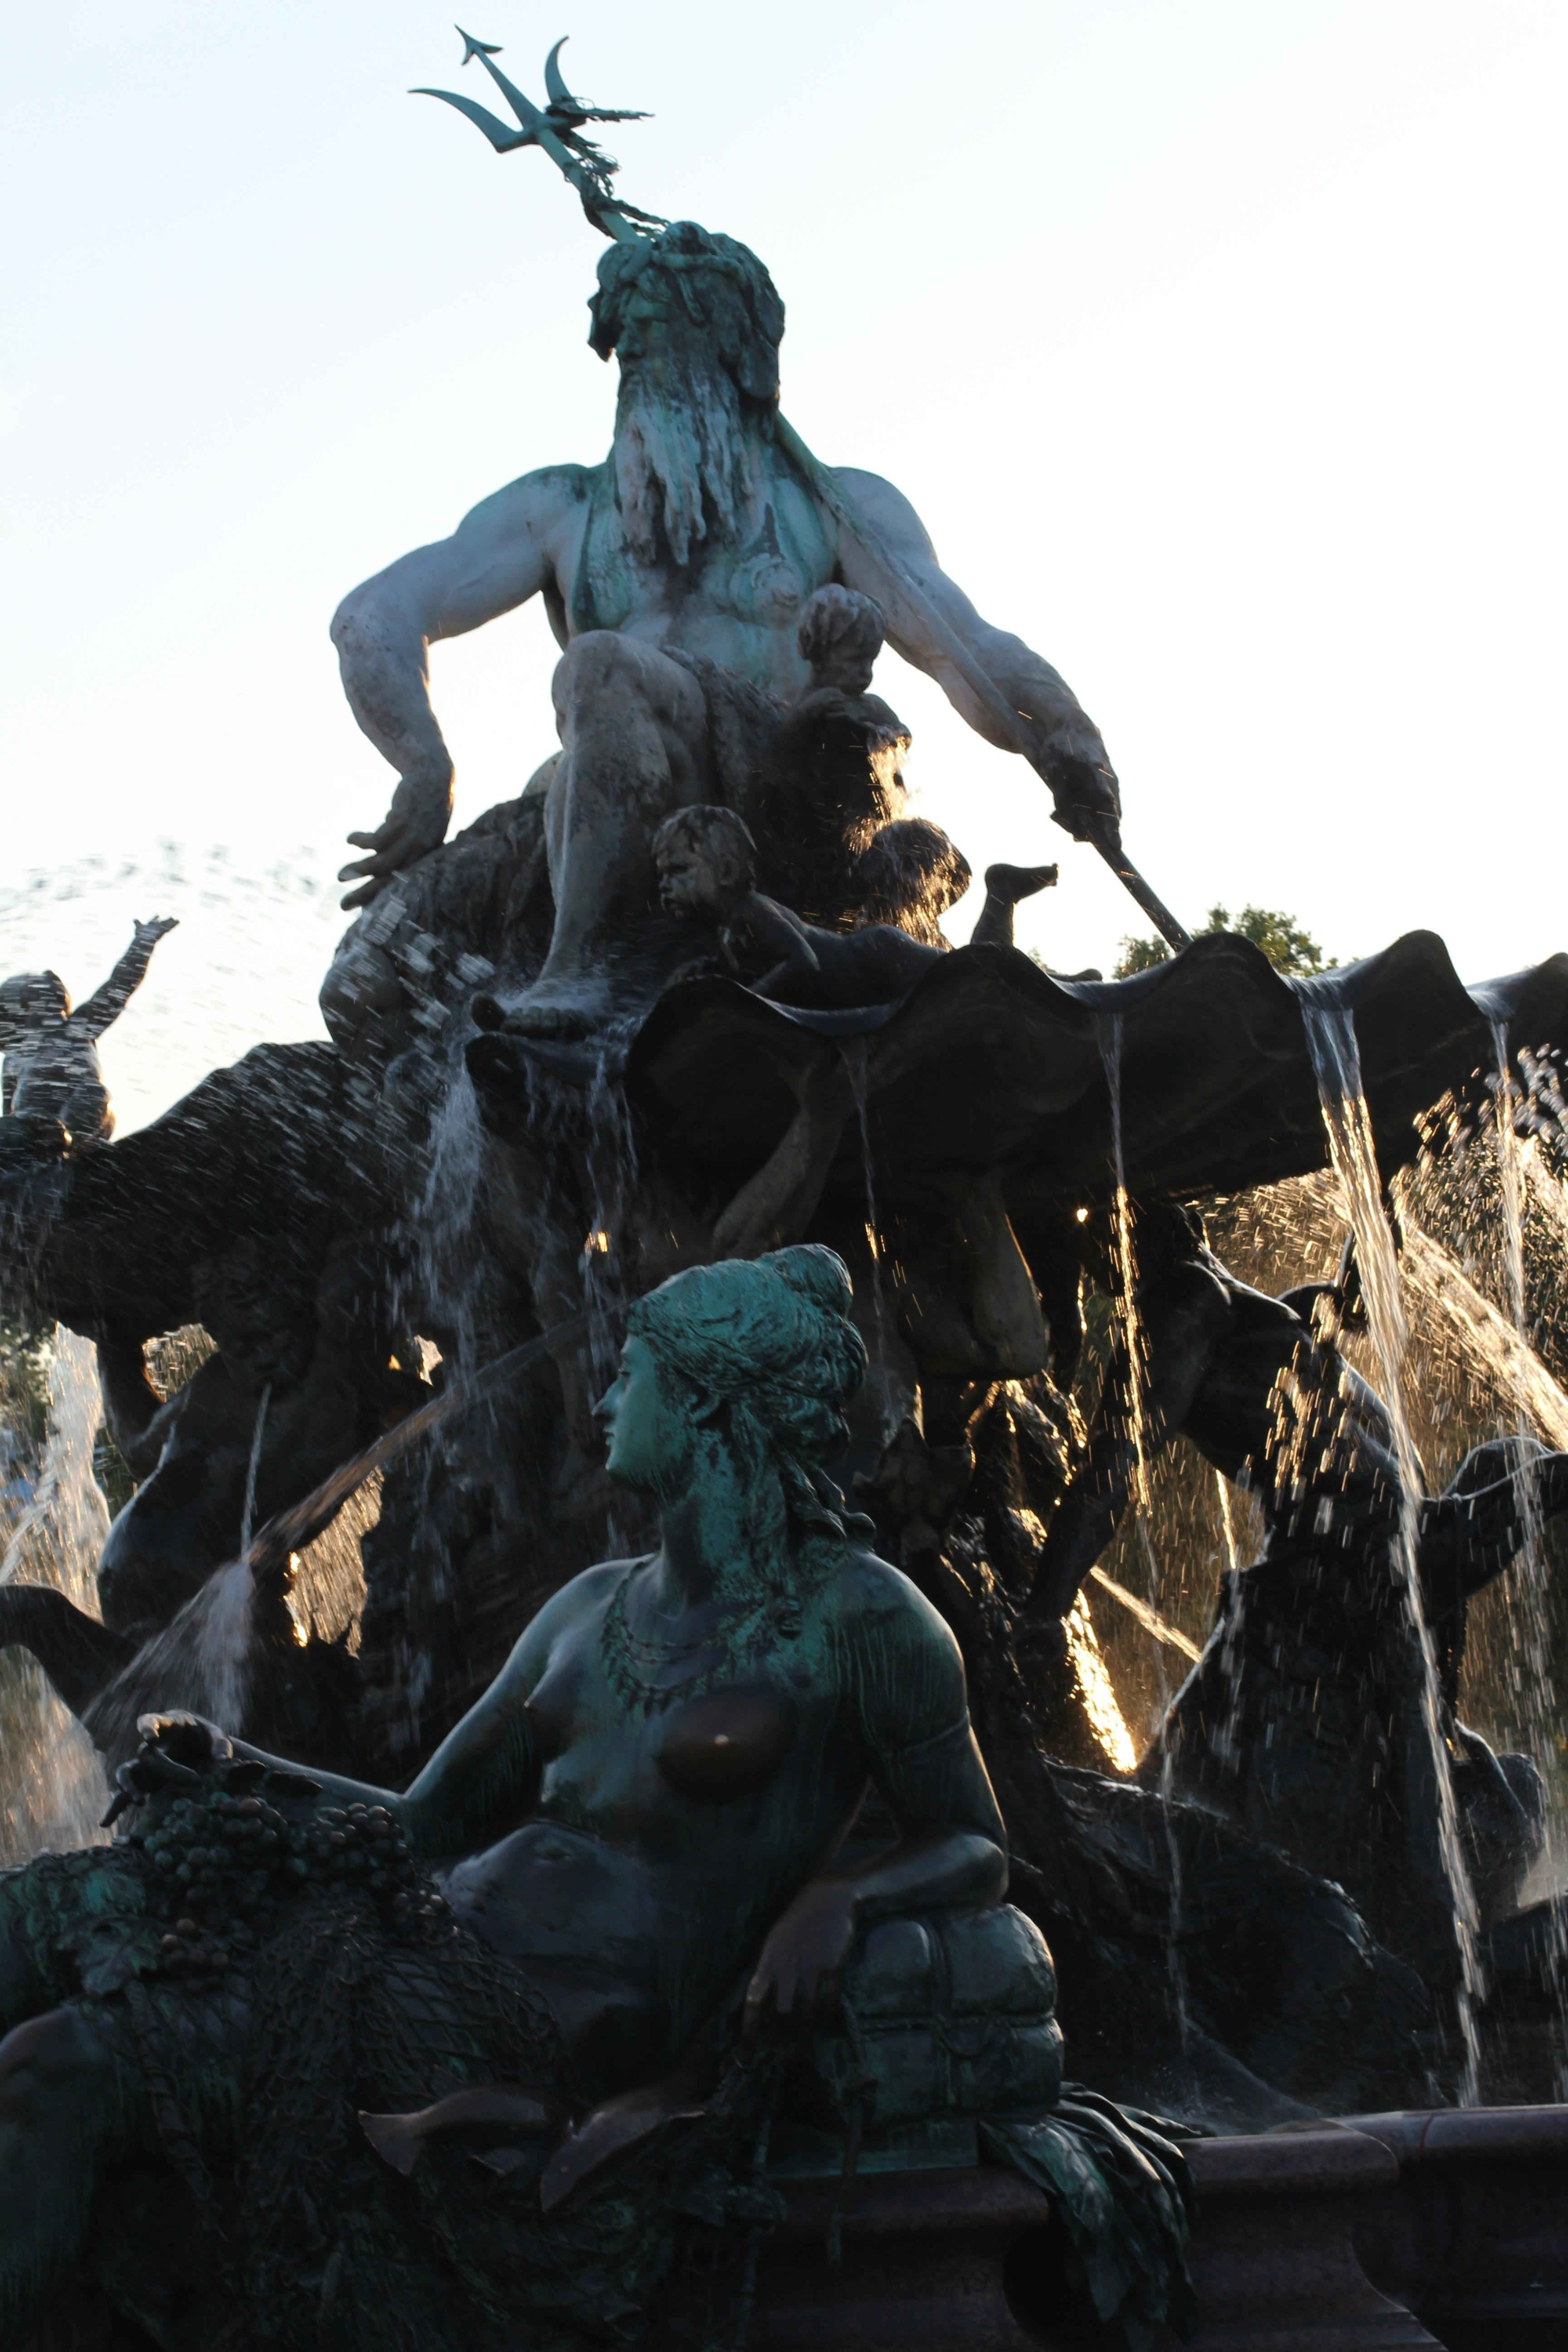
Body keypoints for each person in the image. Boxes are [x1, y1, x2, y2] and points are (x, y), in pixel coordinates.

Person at [0, 1248, 1013, 2348]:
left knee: (60, 2068)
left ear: (711, 1401)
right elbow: (422, 1820)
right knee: (21, 1933)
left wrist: (846, 1895)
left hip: (536, 2018)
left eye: (635, 1373)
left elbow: (971, 1836)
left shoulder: (866, 1620)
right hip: (411, 1937)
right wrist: (241, 1766)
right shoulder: (587, 1606)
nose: (608, 1398)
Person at [329, 220, 1118, 1034]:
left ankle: (581, 975)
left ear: (743, 358)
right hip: (600, 803)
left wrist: (1066, 736)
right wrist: (423, 764)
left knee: (603, 663)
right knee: (363, 978)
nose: (643, 374)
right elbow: (371, 616)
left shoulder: (835, 505)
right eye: (632, 356)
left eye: (666, 347)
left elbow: (967, 649)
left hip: (776, 788)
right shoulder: (563, 508)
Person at [0, 918, 176, 1146]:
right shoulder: (14, 1056)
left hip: (80, 1115)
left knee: (93, 1094)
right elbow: (8, 1108)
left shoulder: (78, 1027)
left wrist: (143, 943)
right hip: (31, 1120)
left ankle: (66, 1139)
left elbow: (119, 986)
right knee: (11, 1127)